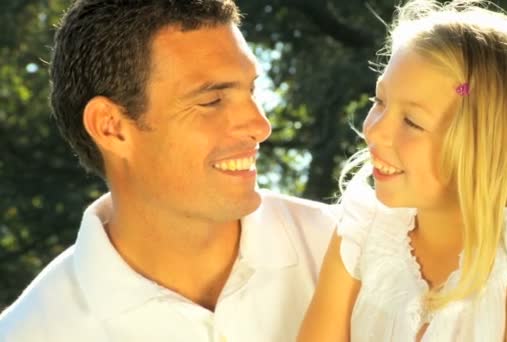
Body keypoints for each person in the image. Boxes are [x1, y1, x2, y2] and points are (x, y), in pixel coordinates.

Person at [0, 1, 336, 341]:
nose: (260, 126)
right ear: (111, 127)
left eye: (251, 90)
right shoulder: (29, 333)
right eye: (211, 102)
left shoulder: (352, 252)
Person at [298, 0, 507, 341]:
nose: (375, 130)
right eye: (380, 101)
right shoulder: (363, 230)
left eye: (412, 122)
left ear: (488, 145)